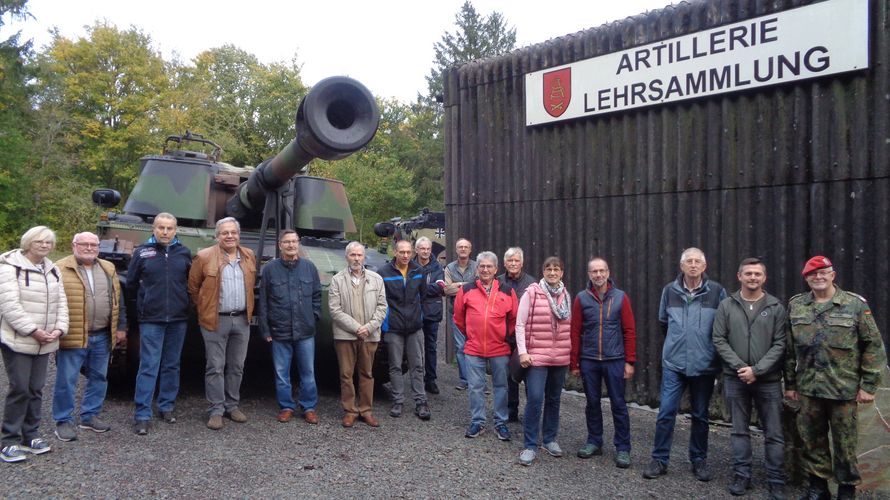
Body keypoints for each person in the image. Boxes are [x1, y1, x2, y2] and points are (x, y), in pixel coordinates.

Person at [784, 256, 886, 500]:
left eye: (823, 272)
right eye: (812, 274)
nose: (818, 277)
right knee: (812, 441)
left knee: (845, 444)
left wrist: (869, 386)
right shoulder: (797, 306)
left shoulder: (854, 305)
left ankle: (846, 489)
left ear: (833, 274)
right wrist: (790, 384)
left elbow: (873, 346)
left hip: (843, 389)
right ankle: (818, 487)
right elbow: (790, 349)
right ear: (806, 278)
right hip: (809, 389)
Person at [643, 247, 726, 481]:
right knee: (666, 413)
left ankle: (699, 460)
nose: (692, 265)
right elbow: (663, 323)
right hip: (674, 364)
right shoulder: (670, 291)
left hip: (704, 365)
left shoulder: (717, 291)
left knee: (700, 415)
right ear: (681, 266)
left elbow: (723, 325)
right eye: (688, 261)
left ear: (704, 266)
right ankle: (659, 460)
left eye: (697, 261)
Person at [712, 258, 787, 498]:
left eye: (757, 274)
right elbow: (719, 339)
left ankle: (776, 480)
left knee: (774, 433)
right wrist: (741, 367)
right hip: (736, 379)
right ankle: (742, 476)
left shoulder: (776, 307)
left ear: (764, 278)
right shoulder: (726, 305)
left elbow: (780, 344)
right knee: (739, 430)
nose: (752, 277)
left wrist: (758, 370)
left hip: (769, 380)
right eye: (748, 274)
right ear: (739, 276)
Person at [0, 226, 68, 462]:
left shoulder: (52, 269)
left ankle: (31, 434)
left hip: (45, 341)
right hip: (19, 339)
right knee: (19, 387)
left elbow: (62, 303)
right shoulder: (10, 267)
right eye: (39, 241)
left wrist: (59, 328)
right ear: (28, 242)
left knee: (36, 388)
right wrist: (33, 330)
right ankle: (8, 440)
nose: (44, 245)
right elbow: (9, 305)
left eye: (48, 242)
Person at [53, 232, 127, 442]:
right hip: (74, 333)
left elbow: (117, 300)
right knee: (67, 380)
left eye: (93, 244)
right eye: (83, 244)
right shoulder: (60, 268)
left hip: (102, 334)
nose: (88, 248)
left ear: (98, 246)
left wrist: (121, 326)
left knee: (99, 377)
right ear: (74, 245)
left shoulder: (107, 267)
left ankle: (89, 415)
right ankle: (63, 420)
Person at [188, 217, 256, 430]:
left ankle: (232, 405)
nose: (229, 236)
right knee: (215, 366)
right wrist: (205, 308)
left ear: (238, 234)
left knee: (236, 366)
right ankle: (216, 409)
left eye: (233, 232)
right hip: (216, 319)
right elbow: (193, 288)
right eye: (225, 233)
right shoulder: (204, 256)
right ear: (217, 236)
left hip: (242, 320)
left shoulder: (248, 256)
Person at [128, 213, 192, 436]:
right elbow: (131, 284)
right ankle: (143, 413)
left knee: (172, 364)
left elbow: (189, 282)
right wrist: (142, 308)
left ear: (176, 230)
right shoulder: (142, 252)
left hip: (178, 318)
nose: (165, 232)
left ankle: (166, 406)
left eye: (170, 228)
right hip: (152, 319)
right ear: (154, 229)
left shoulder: (183, 253)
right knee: (149, 365)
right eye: (161, 228)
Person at [570, 257, 637, 469]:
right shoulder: (581, 298)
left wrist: (630, 361)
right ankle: (594, 441)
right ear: (589, 274)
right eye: (594, 271)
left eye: (602, 271)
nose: (598, 275)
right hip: (589, 360)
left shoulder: (620, 298)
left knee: (618, 404)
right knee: (592, 403)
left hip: (615, 360)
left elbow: (629, 330)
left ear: (608, 272)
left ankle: (623, 448)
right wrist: (574, 363)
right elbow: (575, 331)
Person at [453, 251, 518, 441]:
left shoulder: (507, 291)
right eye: (482, 266)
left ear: (496, 269)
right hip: (474, 348)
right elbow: (458, 318)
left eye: (489, 266)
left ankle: (501, 422)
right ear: (477, 269)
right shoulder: (466, 290)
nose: (485, 269)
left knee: (501, 386)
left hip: (499, 348)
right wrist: (471, 335)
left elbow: (513, 319)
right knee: (475, 387)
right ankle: (478, 421)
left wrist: (504, 337)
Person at [259, 230, 322, 425]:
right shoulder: (270, 269)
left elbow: (317, 295)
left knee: (308, 372)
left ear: (298, 244)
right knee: (281, 372)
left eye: (294, 241)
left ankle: (308, 407)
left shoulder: (309, 267)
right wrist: (266, 329)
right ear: (280, 245)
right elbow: (264, 302)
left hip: (305, 330)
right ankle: (286, 406)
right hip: (280, 330)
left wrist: (314, 316)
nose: (291, 245)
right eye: (286, 242)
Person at [516, 257, 571, 466]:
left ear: (562, 273)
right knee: (536, 398)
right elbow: (520, 324)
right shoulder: (532, 293)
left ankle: (549, 439)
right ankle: (530, 445)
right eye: (549, 269)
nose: (552, 272)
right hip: (536, 355)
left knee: (554, 399)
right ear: (543, 271)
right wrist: (522, 352)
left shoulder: (565, 295)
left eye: (557, 269)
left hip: (560, 357)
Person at [329, 241, 387, 428]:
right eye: (352, 255)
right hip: (345, 335)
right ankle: (350, 410)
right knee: (346, 374)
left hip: (369, 335)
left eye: (359, 255)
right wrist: (356, 328)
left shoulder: (376, 279)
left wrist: (368, 327)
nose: (356, 258)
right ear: (347, 257)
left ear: (364, 257)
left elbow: (382, 306)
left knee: (367, 373)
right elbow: (335, 310)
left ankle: (366, 410)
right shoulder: (337, 280)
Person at [379, 239, 431, 420]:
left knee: (417, 365)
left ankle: (421, 402)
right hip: (394, 327)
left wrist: (418, 316)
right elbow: (381, 299)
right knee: (395, 366)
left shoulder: (418, 271)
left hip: (414, 326)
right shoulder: (384, 272)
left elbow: (422, 295)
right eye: (402, 252)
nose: (406, 255)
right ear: (395, 252)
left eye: (408, 252)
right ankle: (398, 400)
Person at [497, 247, 536, 422]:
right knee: (508, 376)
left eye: (516, 260)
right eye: (510, 260)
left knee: (528, 375)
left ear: (522, 263)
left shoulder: (531, 283)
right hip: (505, 336)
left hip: (526, 337)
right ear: (504, 263)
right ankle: (511, 410)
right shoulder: (497, 282)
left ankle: (530, 412)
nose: (513, 264)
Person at [443, 238, 477, 390]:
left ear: (470, 250)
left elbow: (480, 287)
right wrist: (468, 286)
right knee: (460, 346)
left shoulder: (477, 266)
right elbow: (446, 290)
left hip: (475, 313)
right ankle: (465, 380)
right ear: (456, 250)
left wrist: (458, 286)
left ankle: (477, 381)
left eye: (466, 247)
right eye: (460, 247)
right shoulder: (449, 268)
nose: (463, 249)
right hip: (456, 313)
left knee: (476, 346)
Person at [414, 237, 444, 395]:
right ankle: (416, 379)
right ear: (416, 250)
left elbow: (440, 287)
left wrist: (418, 286)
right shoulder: (410, 265)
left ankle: (430, 379)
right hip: (413, 312)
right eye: (422, 248)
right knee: (414, 348)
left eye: (428, 249)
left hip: (432, 312)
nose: (425, 251)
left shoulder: (437, 266)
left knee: (431, 347)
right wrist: (427, 287)